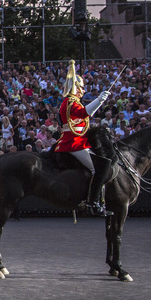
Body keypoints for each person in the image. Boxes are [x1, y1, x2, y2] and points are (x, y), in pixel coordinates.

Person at [52, 60, 112, 216]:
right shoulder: (70, 102)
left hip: (77, 140)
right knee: (96, 168)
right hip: (73, 142)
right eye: (82, 88)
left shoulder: (70, 102)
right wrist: (99, 100)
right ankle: (93, 202)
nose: (83, 91)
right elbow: (84, 113)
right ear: (76, 88)